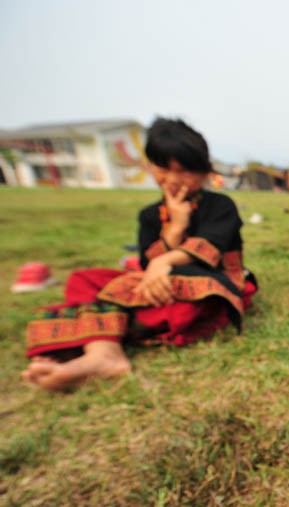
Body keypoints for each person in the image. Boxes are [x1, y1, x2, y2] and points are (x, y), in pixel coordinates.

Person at [21, 117, 257, 391]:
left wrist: (164, 261)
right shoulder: (149, 215)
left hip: (206, 284)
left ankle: (97, 333)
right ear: (151, 167)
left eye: (184, 171)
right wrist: (173, 230)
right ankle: (104, 354)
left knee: (190, 306)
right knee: (83, 280)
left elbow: (211, 246)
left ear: (204, 171)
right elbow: (146, 264)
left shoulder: (220, 205)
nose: (172, 179)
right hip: (155, 289)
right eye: (163, 168)